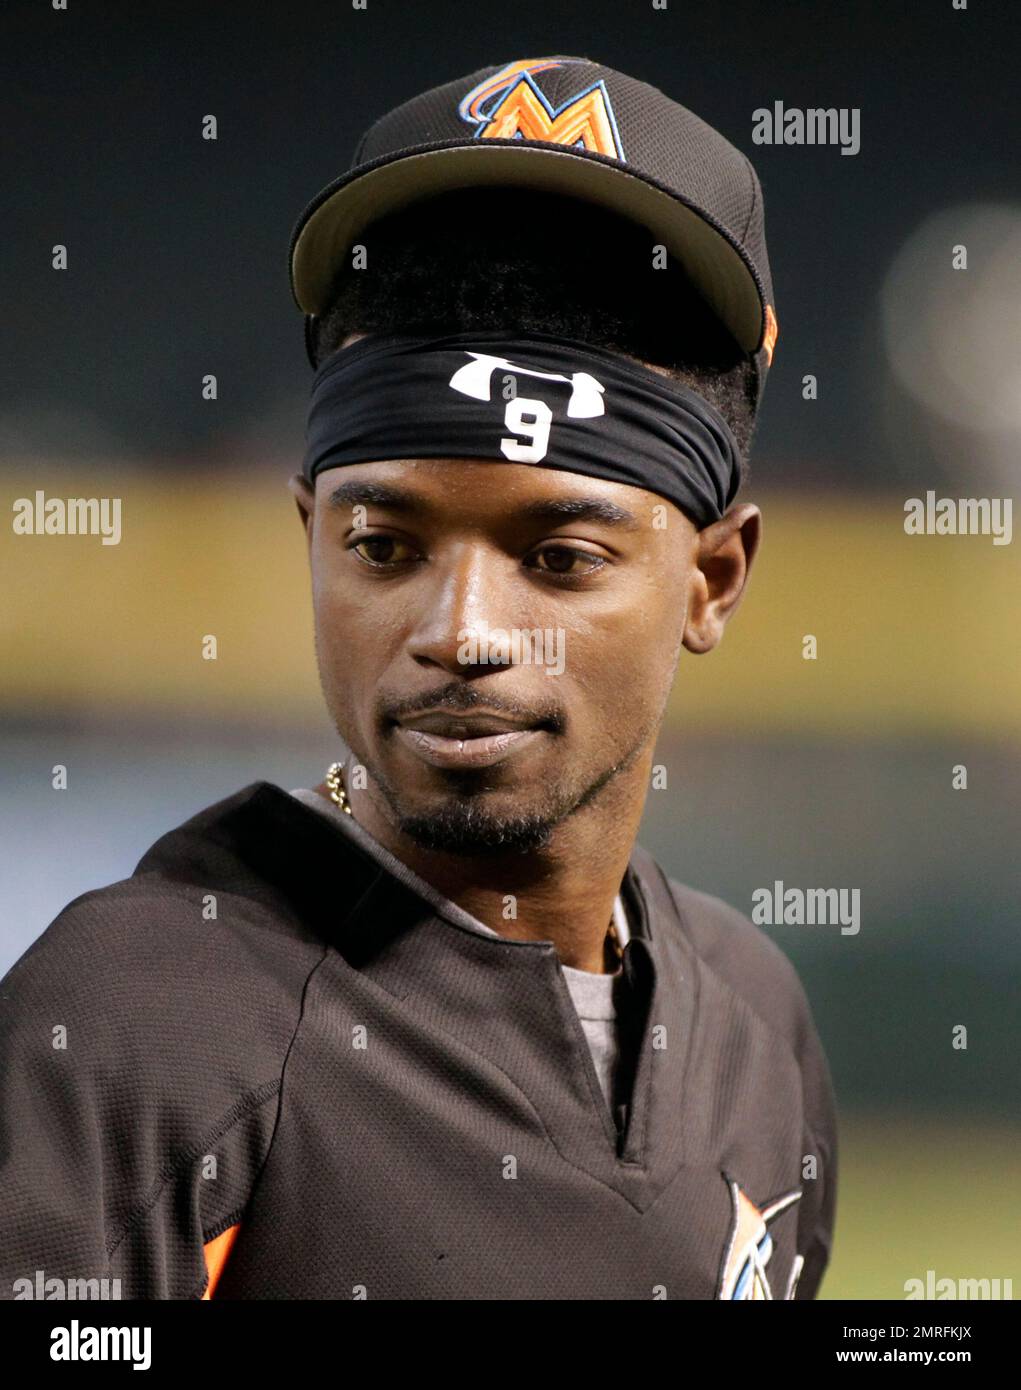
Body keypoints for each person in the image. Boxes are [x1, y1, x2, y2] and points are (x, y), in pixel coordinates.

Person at [0, 55, 835, 1301]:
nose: (461, 630)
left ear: (713, 580)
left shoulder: (758, 1032)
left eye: (558, 556)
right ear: (309, 541)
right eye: (383, 546)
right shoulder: (131, 1031)